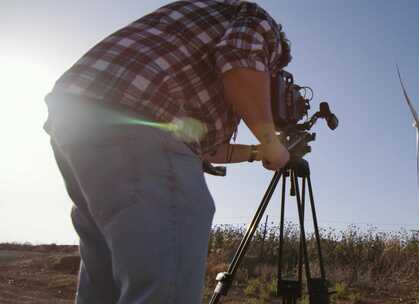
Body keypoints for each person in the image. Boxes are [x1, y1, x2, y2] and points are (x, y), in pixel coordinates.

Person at [43, 0, 291, 303]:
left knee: (106, 283)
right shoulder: (261, 23)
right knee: (165, 282)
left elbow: (207, 148)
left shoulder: (198, 41)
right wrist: (270, 139)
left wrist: (258, 151)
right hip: (140, 120)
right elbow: (240, 58)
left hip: (78, 122)